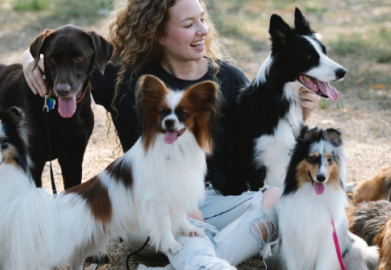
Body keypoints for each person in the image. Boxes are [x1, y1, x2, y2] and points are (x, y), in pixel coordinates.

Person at [22, 0, 320, 268]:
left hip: (212, 200)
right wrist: (29, 59)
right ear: (158, 34)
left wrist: (298, 113)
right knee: (181, 218)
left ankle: (206, 259)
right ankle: (211, 258)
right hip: (150, 205)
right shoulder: (124, 77)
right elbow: (65, 48)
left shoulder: (228, 79)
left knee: (282, 200)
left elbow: (258, 146)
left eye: (202, 19)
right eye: (189, 25)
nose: (202, 30)